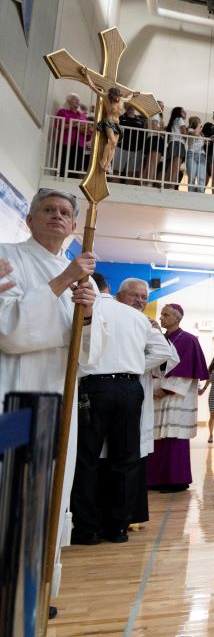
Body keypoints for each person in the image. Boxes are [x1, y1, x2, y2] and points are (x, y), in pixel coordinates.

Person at [0, 190, 104, 599]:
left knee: (49, 495)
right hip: (17, 395)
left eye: (65, 212)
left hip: (60, 403)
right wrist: (63, 283)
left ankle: (37, 588)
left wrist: (91, 314)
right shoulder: (9, 257)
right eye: (48, 210)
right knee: (12, 491)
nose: (57, 217)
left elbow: (88, 357)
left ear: (75, 227)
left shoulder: (81, 274)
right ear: (29, 219)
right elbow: (10, 331)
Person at [74, 275, 175, 544]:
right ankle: (118, 528)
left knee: (86, 459)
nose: (140, 301)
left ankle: (87, 529)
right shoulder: (138, 318)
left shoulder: (86, 308)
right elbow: (164, 351)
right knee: (127, 459)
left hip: (94, 387)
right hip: (129, 389)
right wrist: (132, 365)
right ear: (116, 291)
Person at [148, 303, 207, 492]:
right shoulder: (160, 338)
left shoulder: (189, 340)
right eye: (161, 314)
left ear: (177, 318)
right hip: (156, 394)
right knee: (156, 437)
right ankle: (155, 479)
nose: (161, 318)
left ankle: (176, 480)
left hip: (177, 397)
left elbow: (188, 373)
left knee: (173, 438)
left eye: (166, 315)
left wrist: (165, 390)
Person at [80, 68, 135, 173]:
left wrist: (133, 94)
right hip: (108, 122)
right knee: (112, 141)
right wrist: (87, 75)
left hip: (117, 123)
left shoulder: (122, 100)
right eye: (116, 97)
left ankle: (107, 164)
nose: (117, 98)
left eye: (119, 96)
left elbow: (129, 98)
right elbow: (93, 87)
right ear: (112, 95)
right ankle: (103, 160)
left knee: (114, 145)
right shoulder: (106, 97)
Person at [56, 93, 89, 176]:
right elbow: (58, 124)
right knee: (63, 162)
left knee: (76, 164)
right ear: (69, 101)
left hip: (79, 143)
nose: (78, 101)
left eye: (78, 100)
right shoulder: (62, 111)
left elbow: (88, 129)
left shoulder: (83, 115)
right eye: (75, 99)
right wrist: (74, 125)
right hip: (66, 141)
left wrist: (86, 130)